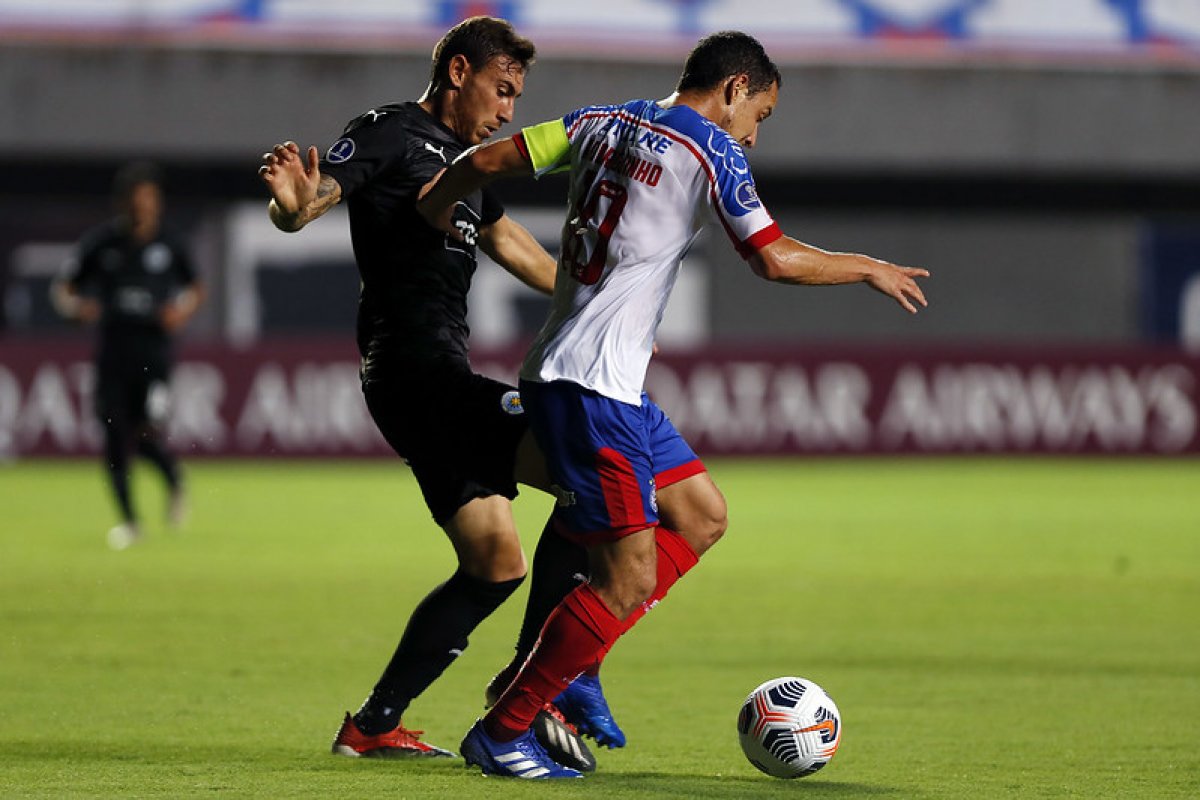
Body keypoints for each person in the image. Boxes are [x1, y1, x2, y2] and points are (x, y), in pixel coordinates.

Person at [418, 30, 930, 778]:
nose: (754, 134)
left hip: (589, 378)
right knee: (625, 579)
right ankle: (506, 727)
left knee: (701, 514)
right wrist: (867, 266)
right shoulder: (712, 148)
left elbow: (487, 160)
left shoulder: (594, 121)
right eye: (761, 113)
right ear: (733, 89)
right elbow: (772, 258)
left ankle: (575, 661)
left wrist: (435, 205)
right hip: (593, 389)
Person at [257, 16, 606, 769]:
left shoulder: (470, 168)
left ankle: (374, 725)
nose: (509, 110)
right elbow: (314, 197)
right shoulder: (389, 131)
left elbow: (520, 252)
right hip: (417, 376)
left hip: (424, 385)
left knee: (496, 564)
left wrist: (600, 296)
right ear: (458, 72)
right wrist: (290, 206)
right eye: (502, 89)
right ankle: (533, 684)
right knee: (594, 476)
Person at [52, 161, 205, 551]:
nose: (143, 206)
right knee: (114, 438)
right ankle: (130, 522)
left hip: (154, 358)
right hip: (113, 357)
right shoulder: (102, 244)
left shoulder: (170, 244)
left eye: (149, 199)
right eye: (136, 199)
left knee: (147, 435)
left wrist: (181, 310)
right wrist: (74, 309)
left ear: (158, 203)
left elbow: (196, 288)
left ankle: (173, 480)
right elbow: (64, 288)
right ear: (123, 203)